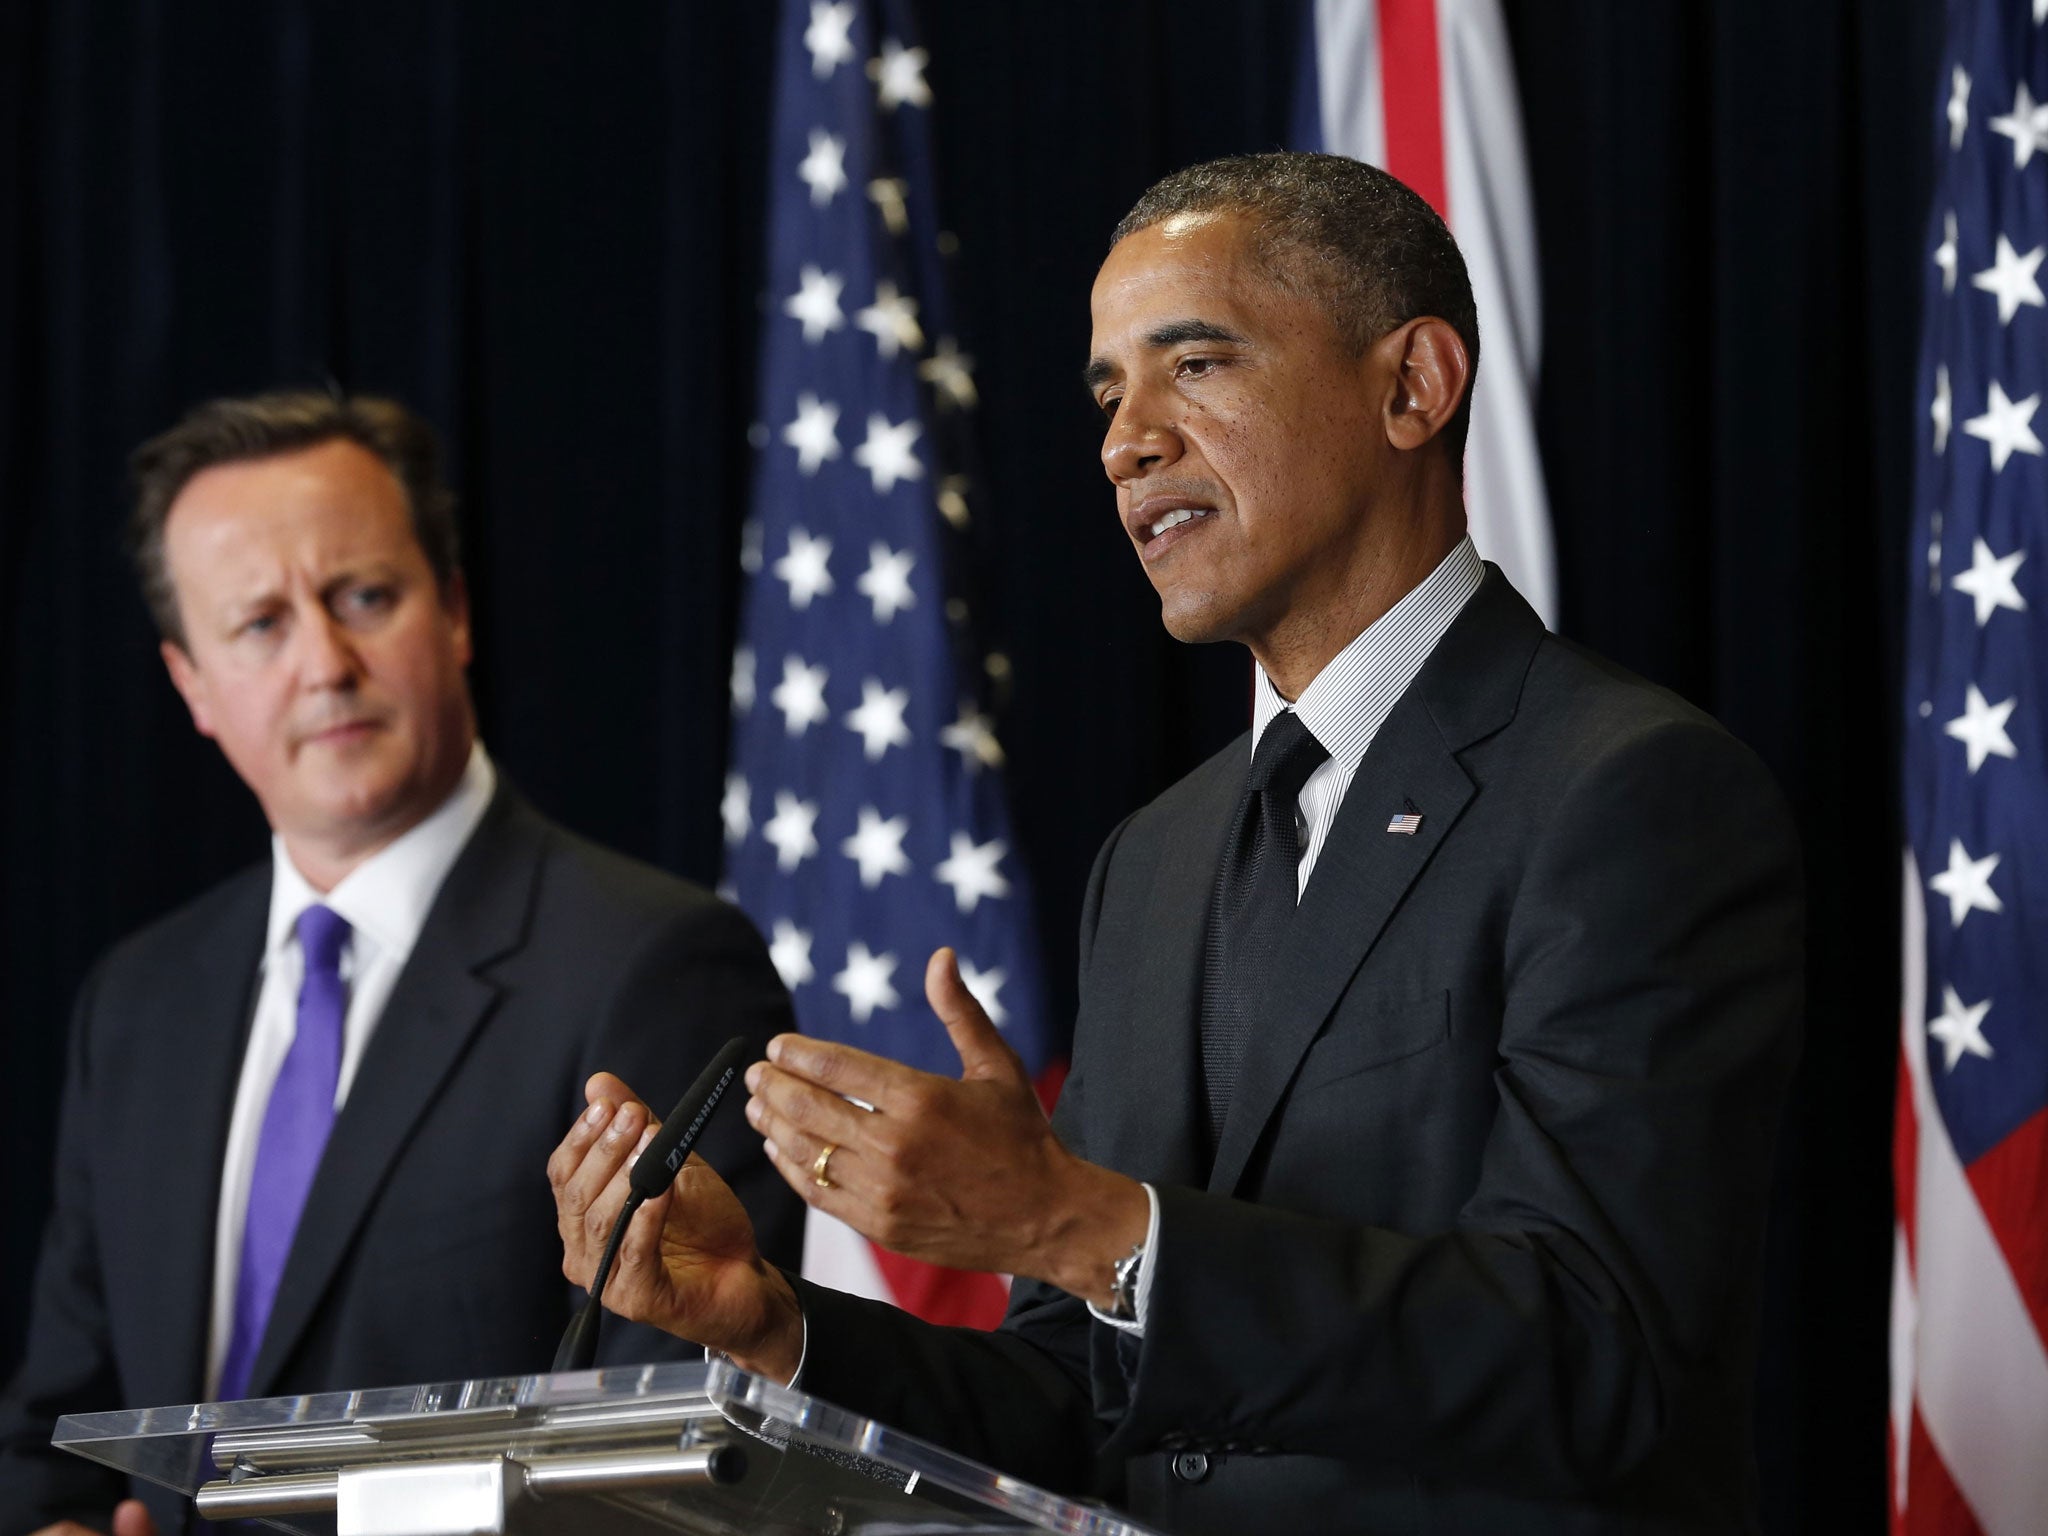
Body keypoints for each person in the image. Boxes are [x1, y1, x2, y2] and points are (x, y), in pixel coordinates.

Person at [548, 153, 1804, 1532]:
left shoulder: (1629, 792)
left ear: (1414, 387)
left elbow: (1593, 1354)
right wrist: (777, 1330)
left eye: (1193, 365)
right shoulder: (1155, 859)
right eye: (1107, 395)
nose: (1125, 441)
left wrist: (1076, 1222)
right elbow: (1089, 1406)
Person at [0, 392, 805, 1536]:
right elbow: (55, 1430)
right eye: (260, 625)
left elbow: (682, 1465)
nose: (324, 663)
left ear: (456, 611)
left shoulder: (653, 964)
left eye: (363, 597)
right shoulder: (137, 1002)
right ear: (191, 685)